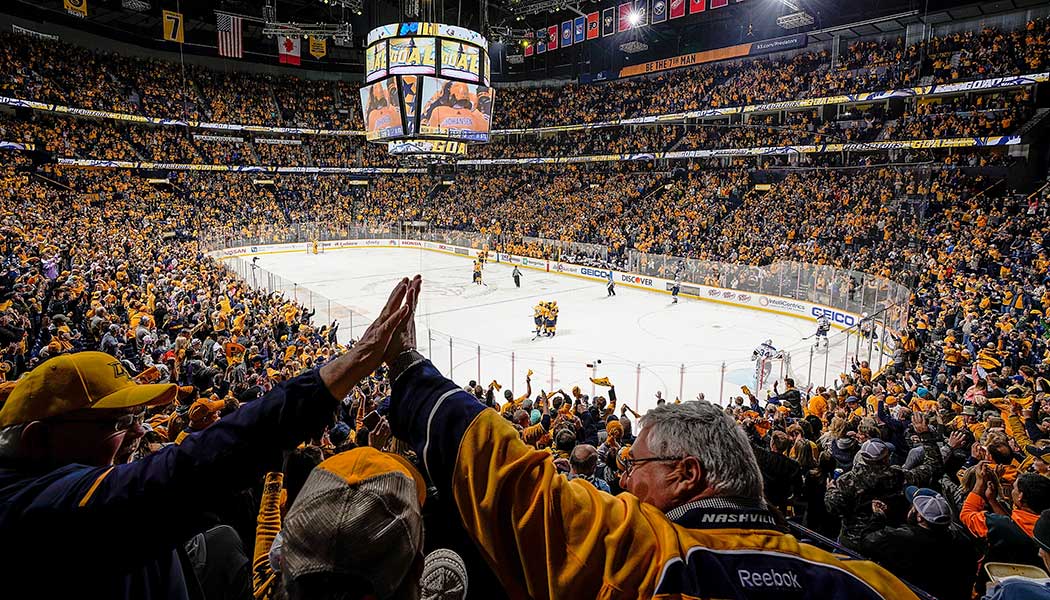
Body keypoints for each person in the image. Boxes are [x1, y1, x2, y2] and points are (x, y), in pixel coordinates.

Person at [384, 276, 920, 598]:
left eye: (636, 466)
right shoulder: (870, 583)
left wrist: (409, 372)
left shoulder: (650, 553)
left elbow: (517, 486)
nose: (623, 478)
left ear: (687, 474)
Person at [0, 278, 416, 598]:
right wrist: (342, 372)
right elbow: (182, 475)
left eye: (138, 416)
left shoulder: (61, 500)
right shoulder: (32, 513)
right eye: (118, 422)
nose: (139, 431)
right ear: (39, 441)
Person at [859, 487, 979, 600]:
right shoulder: (963, 541)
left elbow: (867, 542)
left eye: (913, 508)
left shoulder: (898, 537)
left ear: (919, 517)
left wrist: (878, 516)